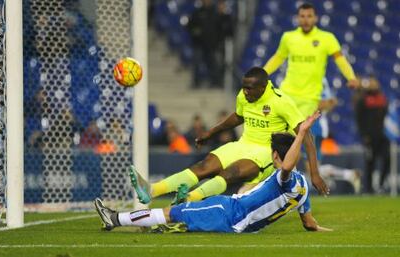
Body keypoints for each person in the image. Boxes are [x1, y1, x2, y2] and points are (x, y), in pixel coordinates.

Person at [94, 111, 332, 233]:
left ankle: (115, 219)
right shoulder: (302, 188)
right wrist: (329, 231)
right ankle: (180, 220)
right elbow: (309, 223)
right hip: (238, 217)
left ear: (275, 156)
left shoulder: (286, 179)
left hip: (230, 213)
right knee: (182, 216)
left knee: (171, 212)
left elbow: (287, 166)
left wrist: (301, 134)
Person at [129, 67, 328, 205]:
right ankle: (152, 190)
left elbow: (306, 136)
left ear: (264, 87)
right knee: (205, 166)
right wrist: (211, 132)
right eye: (243, 87)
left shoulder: (282, 102)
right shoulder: (244, 96)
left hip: (267, 152)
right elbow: (237, 117)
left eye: (250, 88)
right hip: (243, 143)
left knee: (230, 173)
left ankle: (189, 200)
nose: (245, 91)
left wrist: (315, 173)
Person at [263, 2, 360, 119]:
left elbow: (340, 60)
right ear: (298, 18)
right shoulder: (288, 37)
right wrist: (263, 73)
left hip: (309, 98)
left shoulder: (327, 38)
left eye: (309, 16)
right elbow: (278, 58)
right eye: (302, 16)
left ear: (315, 18)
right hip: (287, 92)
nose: (305, 20)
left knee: (297, 131)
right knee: (276, 129)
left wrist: (351, 77)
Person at [354, 76, 390, 194]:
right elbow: (359, 118)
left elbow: (386, 114)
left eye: (375, 82)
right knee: (370, 162)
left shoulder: (382, 98)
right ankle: (368, 189)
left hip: (382, 135)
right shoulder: (363, 99)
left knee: (387, 159)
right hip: (369, 136)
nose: (373, 84)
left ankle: (381, 185)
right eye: (371, 82)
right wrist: (364, 134)